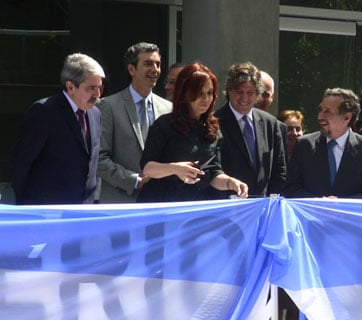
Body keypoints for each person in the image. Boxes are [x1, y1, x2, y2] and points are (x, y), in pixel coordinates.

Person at [137, 63, 248, 202]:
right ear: (185, 94)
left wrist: (230, 183)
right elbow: (147, 168)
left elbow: (214, 173)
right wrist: (174, 169)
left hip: (194, 206)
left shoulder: (213, 128)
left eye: (210, 93)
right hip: (161, 205)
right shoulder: (164, 125)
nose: (206, 99)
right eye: (199, 93)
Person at [10, 53, 105, 204]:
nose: (98, 94)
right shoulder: (44, 111)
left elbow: (93, 164)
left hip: (85, 210)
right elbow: (21, 163)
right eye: (92, 88)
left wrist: (94, 200)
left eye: (100, 87)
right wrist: (27, 206)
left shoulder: (95, 114)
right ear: (70, 86)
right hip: (48, 210)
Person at [97, 42, 172, 203]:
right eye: (148, 64)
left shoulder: (169, 108)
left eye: (157, 64)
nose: (155, 70)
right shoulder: (108, 106)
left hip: (159, 201)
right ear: (132, 69)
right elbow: (99, 158)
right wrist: (134, 181)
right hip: (121, 201)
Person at [284, 88, 362, 199]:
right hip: (313, 215)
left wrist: (341, 204)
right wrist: (319, 202)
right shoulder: (304, 145)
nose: (320, 116)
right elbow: (291, 188)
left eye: (327, 111)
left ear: (347, 117)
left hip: (349, 216)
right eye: (321, 110)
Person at [214, 62, 287, 197]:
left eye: (250, 93)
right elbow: (213, 169)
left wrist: (271, 201)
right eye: (239, 92)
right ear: (229, 91)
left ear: (258, 94)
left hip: (262, 207)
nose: (244, 98)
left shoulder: (270, 123)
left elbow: (279, 170)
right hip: (227, 207)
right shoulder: (214, 122)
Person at [254, 70, 289, 154]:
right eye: (257, 93)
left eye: (265, 95)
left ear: (272, 97)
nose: (260, 99)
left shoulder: (279, 128)